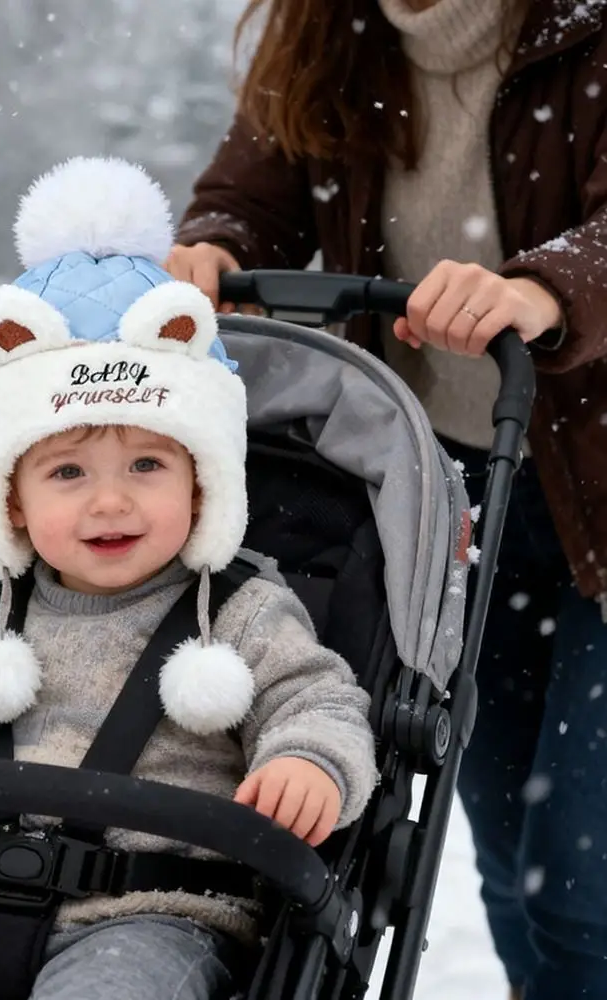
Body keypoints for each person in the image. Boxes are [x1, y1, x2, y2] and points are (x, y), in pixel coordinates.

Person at [0, 156, 378, 1000]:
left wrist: (310, 761)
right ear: (9, 503)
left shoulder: (242, 613)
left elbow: (318, 701)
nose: (110, 500)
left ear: (201, 482)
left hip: (158, 914)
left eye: (146, 464)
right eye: (65, 474)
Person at [165, 2, 607, 999]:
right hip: (449, 498)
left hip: (600, 489)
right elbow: (248, 193)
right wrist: (212, 248)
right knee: (509, 852)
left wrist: (542, 290)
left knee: (580, 882)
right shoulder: (326, 33)